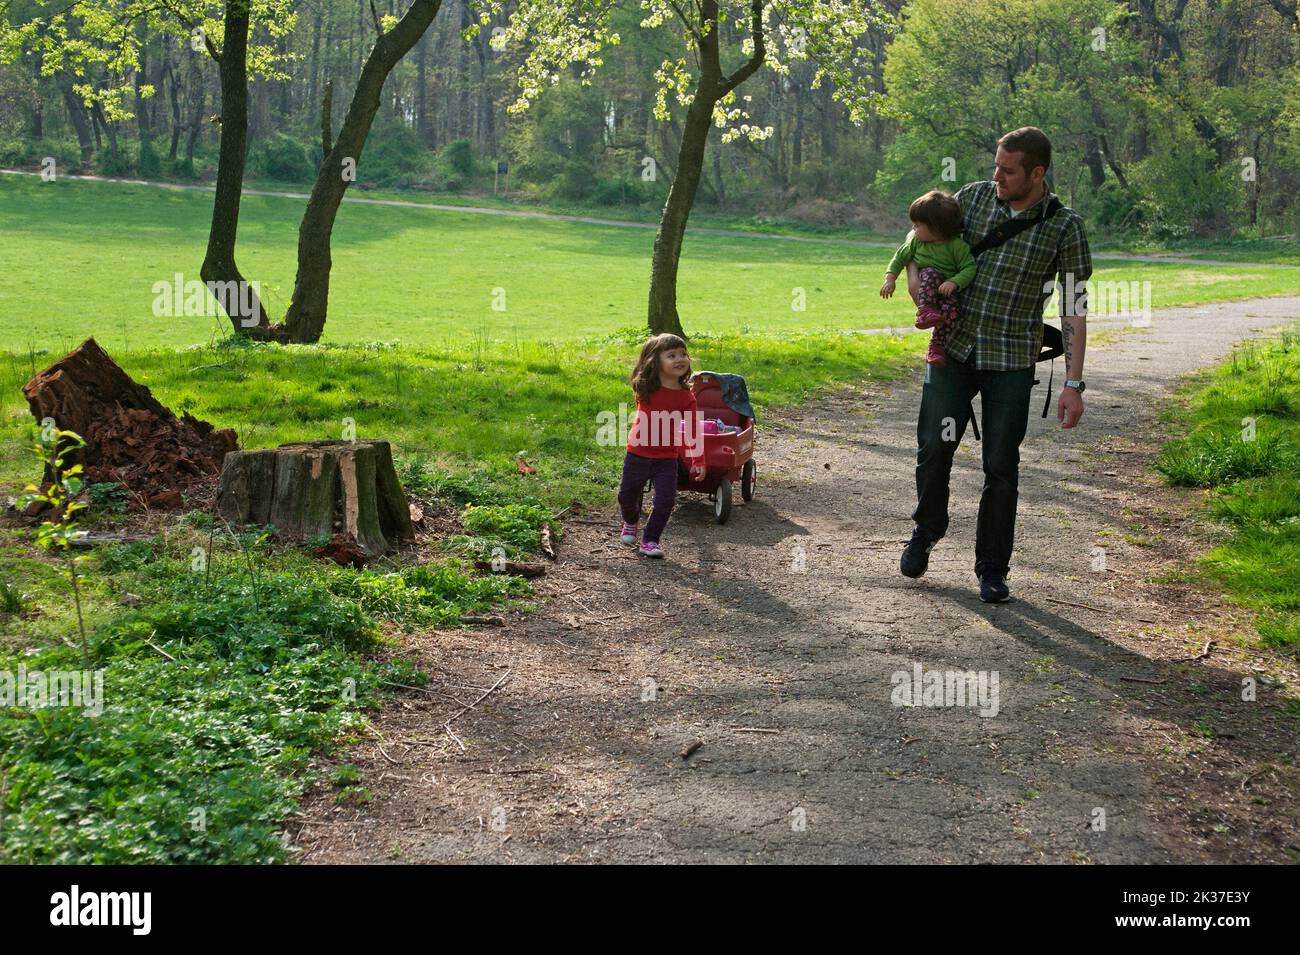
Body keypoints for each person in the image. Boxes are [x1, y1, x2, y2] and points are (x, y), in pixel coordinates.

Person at [899, 126, 1092, 603]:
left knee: (1001, 467)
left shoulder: (1065, 227)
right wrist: (915, 282)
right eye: (996, 167)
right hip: (953, 352)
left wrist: (1073, 383)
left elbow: (1074, 306)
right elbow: (920, 238)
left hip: (1011, 361)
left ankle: (991, 568)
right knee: (934, 447)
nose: (997, 177)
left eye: (1008, 171)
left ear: (1037, 172)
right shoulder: (974, 200)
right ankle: (927, 530)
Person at [617, 333, 706, 559]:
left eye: (683, 354)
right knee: (626, 496)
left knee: (666, 501)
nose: (680, 359)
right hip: (638, 453)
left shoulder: (687, 397)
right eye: (672, 355)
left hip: (666, 457)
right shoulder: (645, 387)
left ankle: (650, 540)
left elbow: (694, 429)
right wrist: (651, 350)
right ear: (656, 361)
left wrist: (698, 459)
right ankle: (631, 521)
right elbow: (639, 371)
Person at [880, 189, 978, 365]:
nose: (913, 228)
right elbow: (898, 258)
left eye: (917, 225)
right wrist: (890, 279)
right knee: (931, 273)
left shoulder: (957, 247)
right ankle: (925, 311)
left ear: (935, 228)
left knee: (953, 312)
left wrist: (954, 282)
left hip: (945, 293)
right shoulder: (916, 242)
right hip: (925, 289)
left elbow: (969, 268)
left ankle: (936, 345)